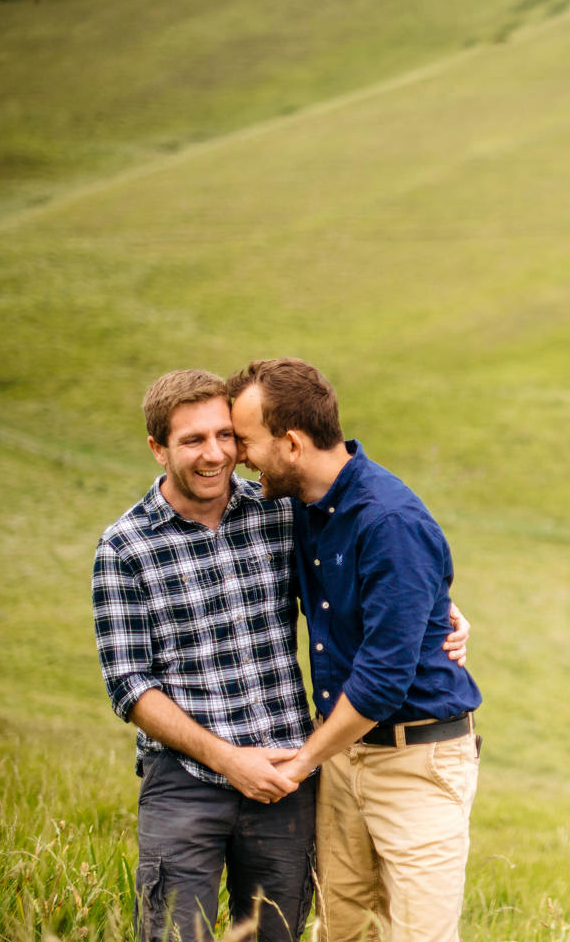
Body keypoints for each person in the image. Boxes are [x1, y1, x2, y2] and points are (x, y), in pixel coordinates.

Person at [91, 369, 469, 942]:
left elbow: (390, 572)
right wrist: (229, 760)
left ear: (285, 443)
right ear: (158, 448)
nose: (226, 456)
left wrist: (440, 612)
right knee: (187, 933)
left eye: (234, 437)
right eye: (195, 440)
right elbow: (127, 683)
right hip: (212, 776)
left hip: (313, 771)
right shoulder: (129, 545)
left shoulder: (278, 510)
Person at [228, 358, 482, 942]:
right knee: (343, 932)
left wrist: (299, 763)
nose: (240, 456)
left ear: (291, 443)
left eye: (246, 442)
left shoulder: (388, 520)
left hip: (417, 764)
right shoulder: (301, 503)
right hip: (343, 759)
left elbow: (381, 681)